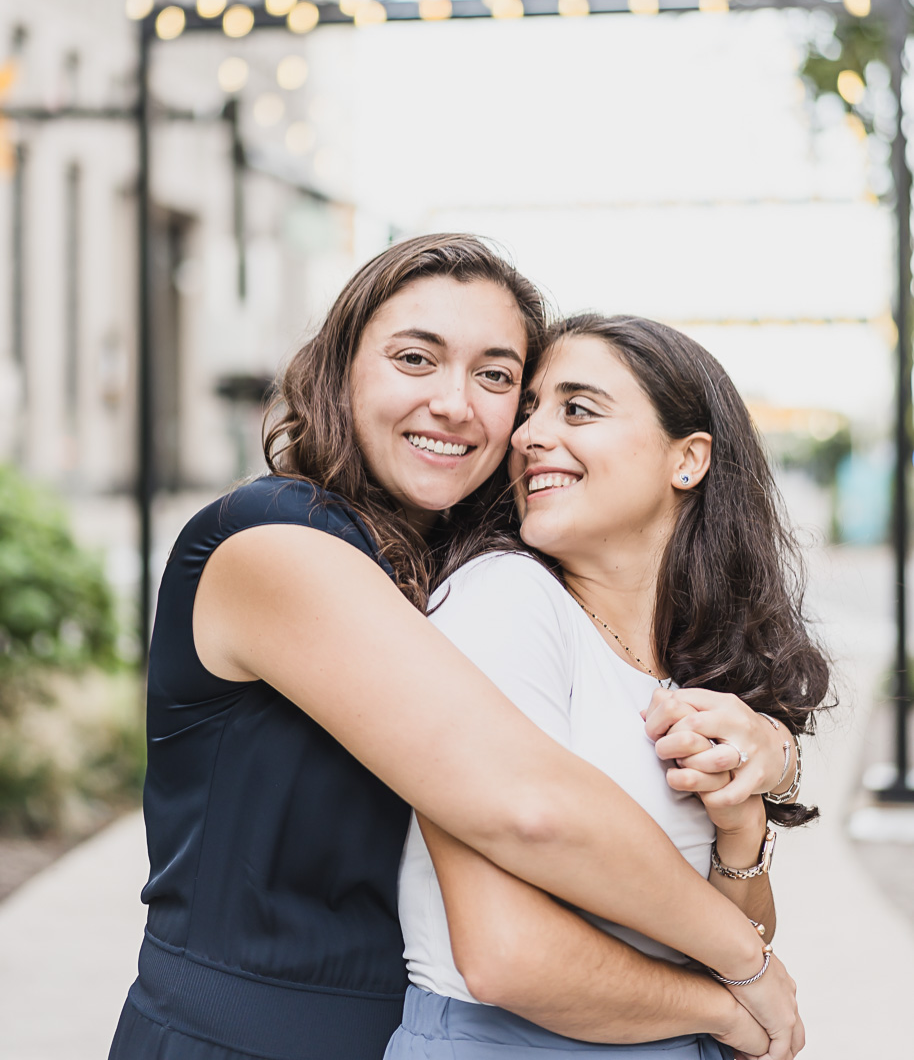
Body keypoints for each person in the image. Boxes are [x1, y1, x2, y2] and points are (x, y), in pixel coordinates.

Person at [109, 240, 802, 1060]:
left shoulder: (440, 563)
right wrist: (740, 975)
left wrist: (773, 755)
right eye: (415, 358)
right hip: (240, 1039)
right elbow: (529, 804)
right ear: (341, 372)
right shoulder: (275, 542)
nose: (454, 404)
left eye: (496, 376)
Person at [389, 313, 830, 1060]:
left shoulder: (692, 659)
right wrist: (725, 1008)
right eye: (528, 409)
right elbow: (507, 956)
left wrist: (741, 828)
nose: (527, 436)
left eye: (577, 409)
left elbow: (733, 928)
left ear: (687, 460)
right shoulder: (506, 600)